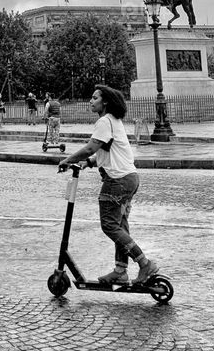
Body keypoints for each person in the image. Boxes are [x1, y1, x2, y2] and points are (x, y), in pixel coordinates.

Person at [58, 85, 160, 285]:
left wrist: (67, 160)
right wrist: (89, 162)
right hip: (129, 178)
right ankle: (120, 271)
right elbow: (107, 151)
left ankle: (144, 263)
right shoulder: (114, 120)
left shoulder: (104, 121)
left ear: (105, 102)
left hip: (117, 181)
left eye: (94, 98)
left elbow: (91, 148)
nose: (91, 101)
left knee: (110, 225)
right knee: (119, 225)